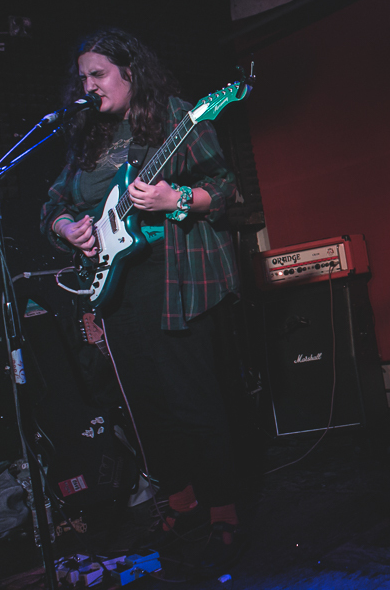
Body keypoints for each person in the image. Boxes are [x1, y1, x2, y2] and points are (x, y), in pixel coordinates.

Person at [40, 28, 242, 571]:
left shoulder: (179, 116)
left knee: (193, 402)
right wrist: (66, 226)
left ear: (130, 72)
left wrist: (175, 198)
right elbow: (54, 201)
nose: (88, 86)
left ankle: (224, 512)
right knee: (147, 410)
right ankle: (182, 502)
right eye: (82, 77)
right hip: (115, 291)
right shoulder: (88, 137)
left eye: (98, 74)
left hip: (175, 282)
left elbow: (227, 190)